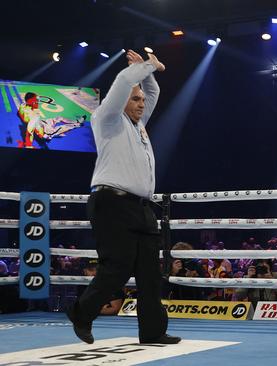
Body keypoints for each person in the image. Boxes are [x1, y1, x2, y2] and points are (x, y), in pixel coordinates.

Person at [66, 49, 180, 345]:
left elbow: (151, 92)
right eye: (135, 99)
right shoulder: (107, 119)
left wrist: (150, 71)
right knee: (116, 268)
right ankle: (81, 313)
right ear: (122, 101)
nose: (142, 104)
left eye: (141, 100)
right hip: (111, 203)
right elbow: (122, 83)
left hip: (141, 208)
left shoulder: (138, 125)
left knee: (149, 274)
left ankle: (153, 331)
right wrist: (146, 65)